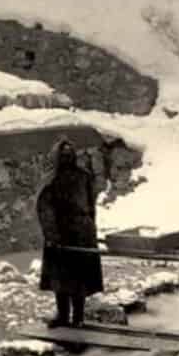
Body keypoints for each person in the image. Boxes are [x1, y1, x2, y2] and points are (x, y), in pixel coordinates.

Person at [37, 138, 104, 327]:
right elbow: (45, 208)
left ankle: (78, 318)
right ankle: (63, 316)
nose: (67, 156)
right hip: (60, 235)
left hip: (81, 234)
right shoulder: (51, 179)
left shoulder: (83, 176)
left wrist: (90, 228)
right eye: (63, 154)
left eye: (70, 153)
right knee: (61, 280)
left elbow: (90, 205)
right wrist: (52, 235)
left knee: (79, 279)